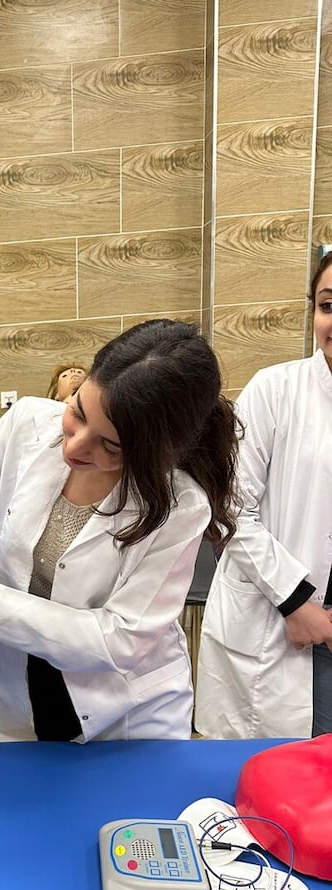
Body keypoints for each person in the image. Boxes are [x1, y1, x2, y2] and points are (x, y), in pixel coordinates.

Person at [0, 319, 240, 742]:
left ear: (154, 450)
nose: (74, 446)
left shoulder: (179, 506)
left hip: (125, 715)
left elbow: (122, 638)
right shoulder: (28, 423)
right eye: (77, 410)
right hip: (24, 685)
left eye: (109, 446)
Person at [195, 252, 332, 739]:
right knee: (267, 780)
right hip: (280, 620)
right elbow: (230, 508)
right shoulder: (275, 390)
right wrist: (296, 603)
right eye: (327, 305)